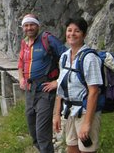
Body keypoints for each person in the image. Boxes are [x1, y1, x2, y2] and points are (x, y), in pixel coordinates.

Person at [18, 13, 67, 153]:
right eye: (26, 25)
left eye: (32, 24)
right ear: (23, 28)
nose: (29, 28)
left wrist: (57, 82)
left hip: (45, 92)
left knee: (42, 135)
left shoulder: (47, 39)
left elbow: (68, 58)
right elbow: (21, 63)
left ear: (37, 26)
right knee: (33, 134)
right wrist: (21, 78)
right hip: (29, 92)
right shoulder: (24, 43)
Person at [53, 17, 103, 153]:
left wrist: (87, 124)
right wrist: (57, 114)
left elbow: (94, 91)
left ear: (84, 34)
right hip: (69, 111)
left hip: (85, 112)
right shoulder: (64, 57)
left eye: (77, 31)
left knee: (87, 150)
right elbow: (61, 88)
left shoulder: (89, 58)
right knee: (72, 148)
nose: (72, 34)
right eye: (69, 30)